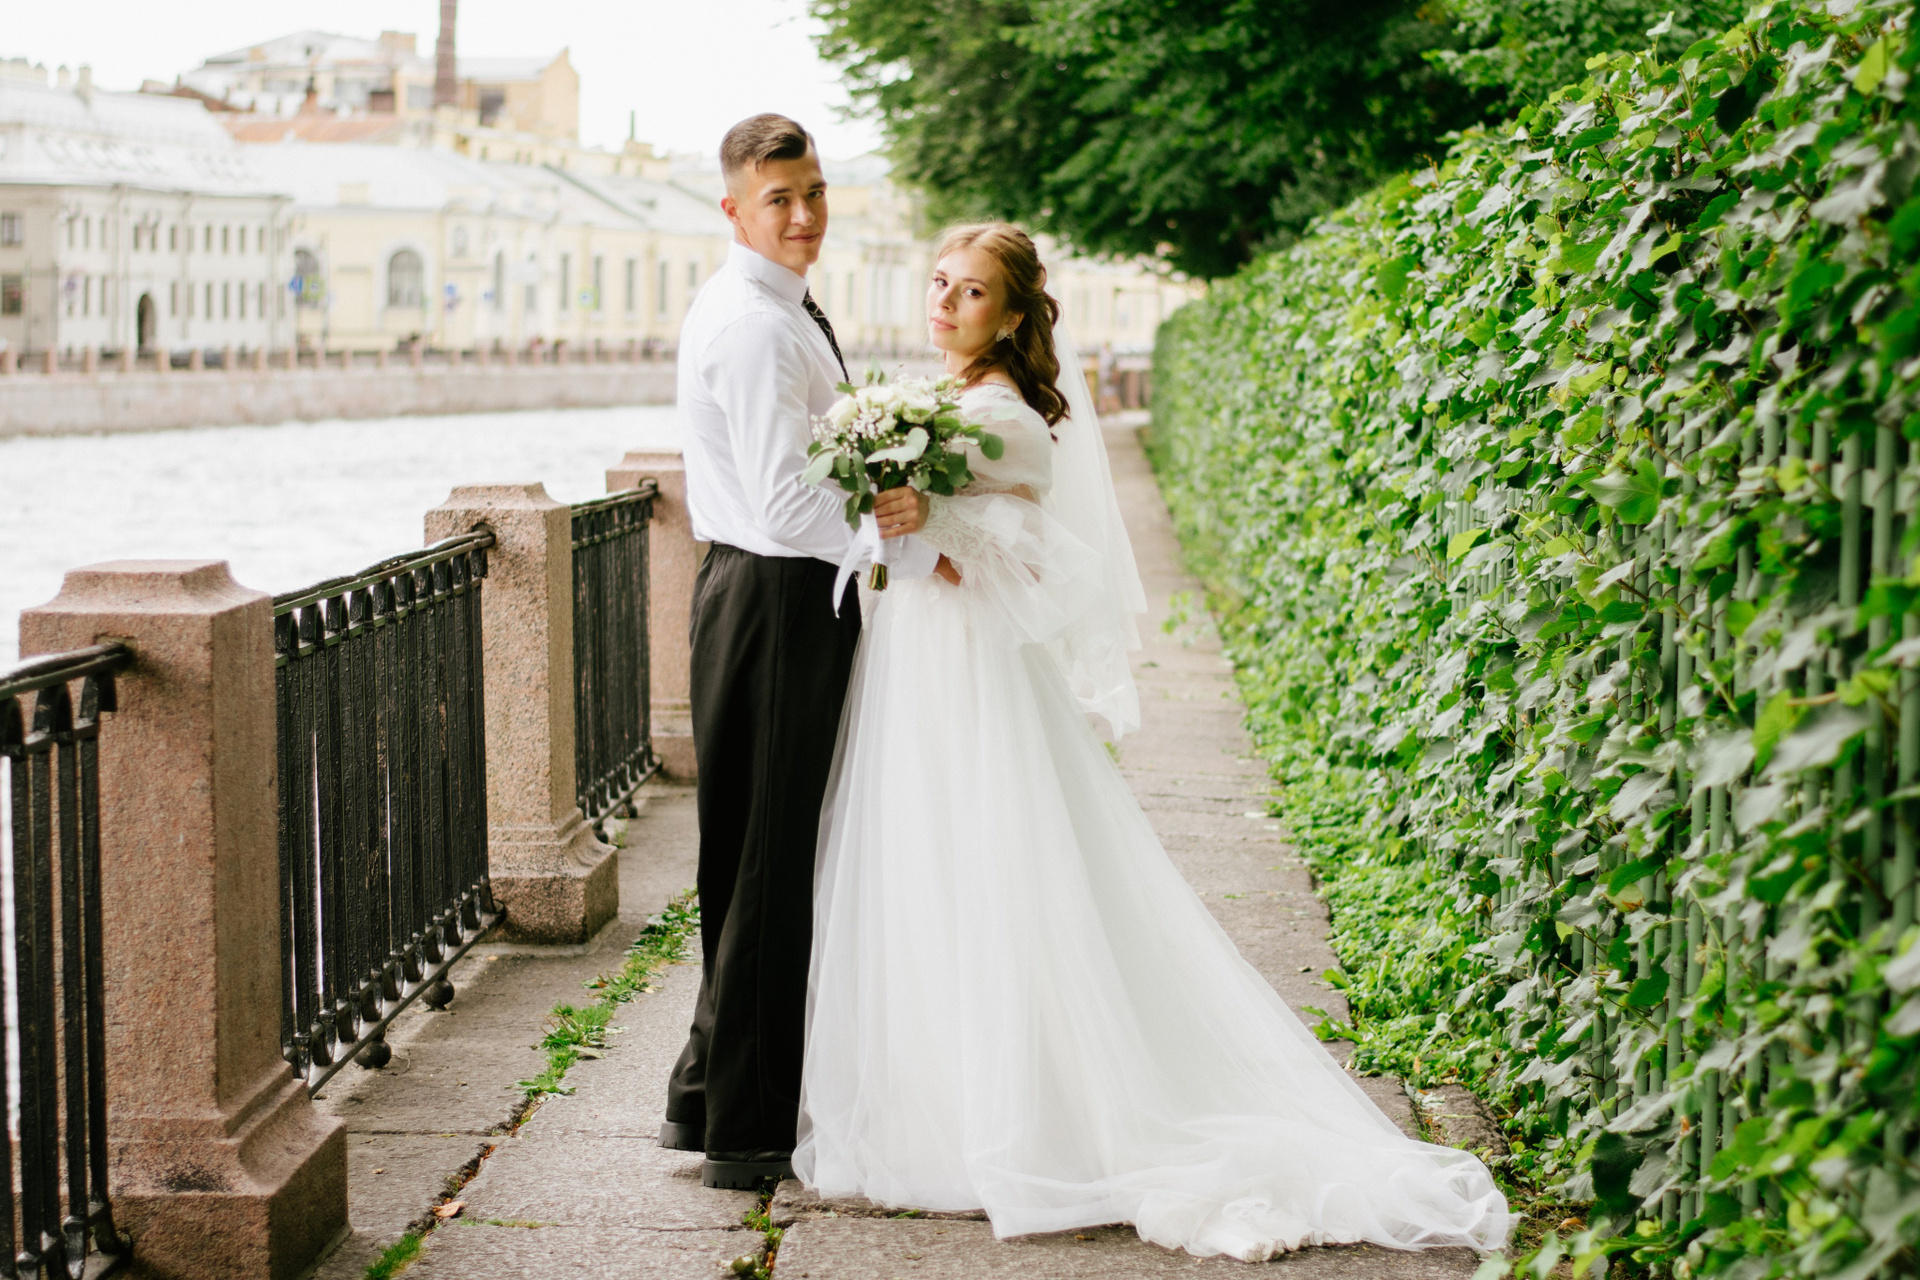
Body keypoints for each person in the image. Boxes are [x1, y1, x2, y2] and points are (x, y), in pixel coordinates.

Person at [790, 223, 1513, 1261]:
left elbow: (1029, 560)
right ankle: (939, 1093)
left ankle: (1022, 1111)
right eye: (940, 283)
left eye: (972, 291)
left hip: (971, 670)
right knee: (927, 857)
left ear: (1013, 315)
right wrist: (900, 517)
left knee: (989, 859)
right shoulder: (940, 403)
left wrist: (922, 521)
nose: (944, 303)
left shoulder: (1004, 420)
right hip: (918, 657)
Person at [659, 114, 943, 1190]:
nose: (805, 213)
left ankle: (708, 1096)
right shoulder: (754, 326)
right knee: (770, 864)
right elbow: (785, 505)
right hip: (775, 598)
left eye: (814, 191)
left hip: (771, 594)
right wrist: (898, 541)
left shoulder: (781, 306)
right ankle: (747, 1130)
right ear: (734, 209)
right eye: (778, 198)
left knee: (755, 856)